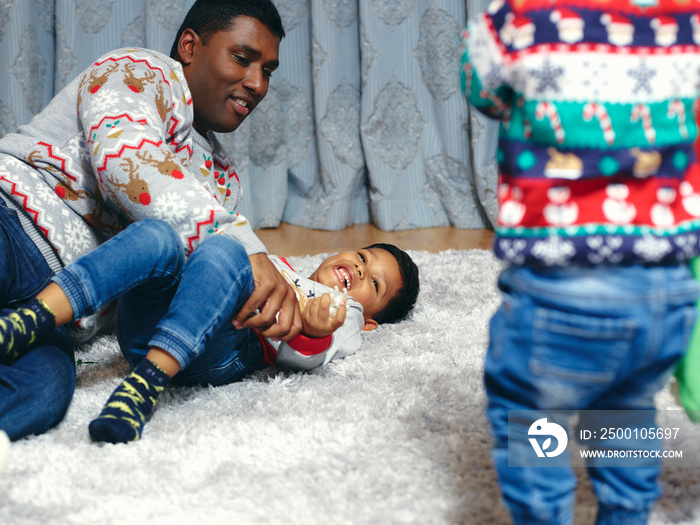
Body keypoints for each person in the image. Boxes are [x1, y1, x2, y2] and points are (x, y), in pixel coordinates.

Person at [0, 0, 303, 442]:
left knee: (43, 390)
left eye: (268, 71)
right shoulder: (138, 71)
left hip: (53, 310)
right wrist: (242, 243)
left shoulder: (222, 182)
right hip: (11, 222)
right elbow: (128, 165)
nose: (257, 83)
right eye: (242, 58)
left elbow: (181, 281)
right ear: (189, 46)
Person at [461, 1, 700, 523]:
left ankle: (546, 511)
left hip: (564, 285)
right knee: (623, 408)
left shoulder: (521, 15)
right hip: (667, 291)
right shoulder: (688, 16)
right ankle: (626, 511)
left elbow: (482, 90)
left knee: (530, 415)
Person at [0, 218, 420, 443]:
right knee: (156, 234)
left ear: (371, 319)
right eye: (364, 256)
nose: (361, 269)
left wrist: (311, 327)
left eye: (375, 283)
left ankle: (144, 387)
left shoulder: (342, 313)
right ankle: (31, 319)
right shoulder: (281, 265)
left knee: (225, 250)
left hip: (224, 346)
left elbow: (311, 354)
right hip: (155, 322)